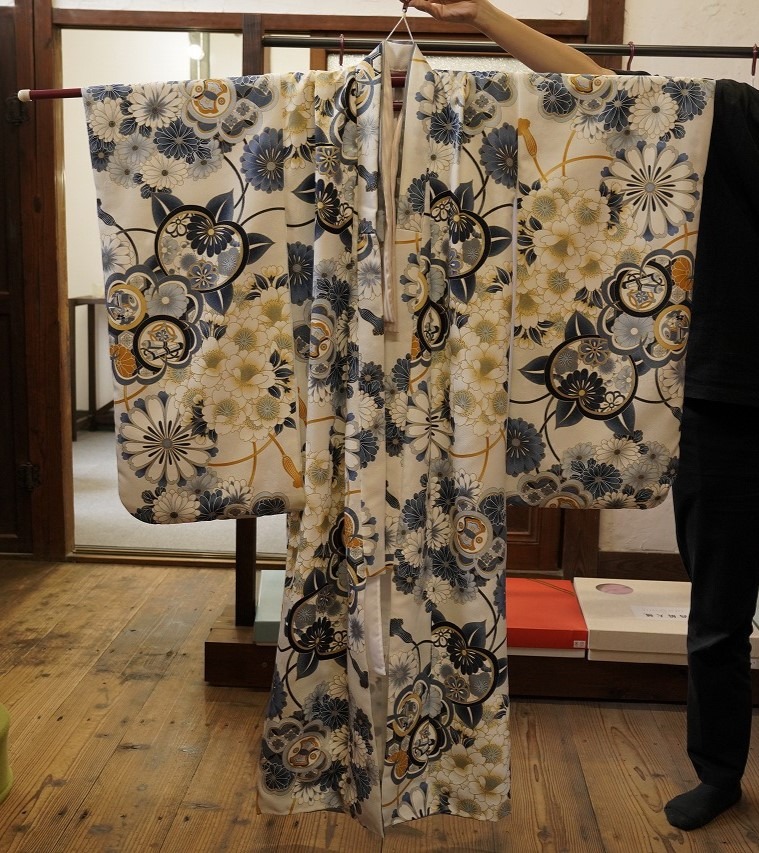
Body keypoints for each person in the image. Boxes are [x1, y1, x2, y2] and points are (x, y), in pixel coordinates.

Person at [403, 0, 759, 832]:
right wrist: (483, 15)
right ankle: (718, 773)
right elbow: (596, 85)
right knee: (717, 613)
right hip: (726, 405)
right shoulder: (730, 116)